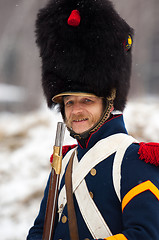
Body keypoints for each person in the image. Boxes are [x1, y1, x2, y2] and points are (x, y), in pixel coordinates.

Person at [27, 0, 159, 239]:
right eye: (69, 102)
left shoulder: (133, 160)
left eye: (87, 101)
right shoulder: (64, 163)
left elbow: (145, 234)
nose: (76, 110)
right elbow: (39, 230)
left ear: (108, 101)